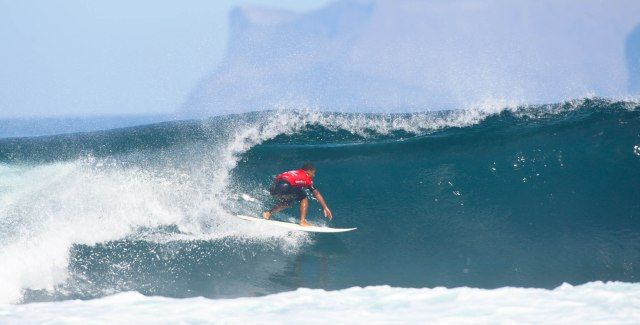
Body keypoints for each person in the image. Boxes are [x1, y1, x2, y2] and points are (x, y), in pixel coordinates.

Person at [262, 163, 333, 226]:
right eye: (313, 173)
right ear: (308, 171)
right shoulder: (307, 178)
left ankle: (268, 213)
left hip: (275, 187)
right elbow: (316, 193)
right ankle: (302, 221)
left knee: (287, 203)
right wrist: (325, 207)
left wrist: (274, 191)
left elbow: (278, 177)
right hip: (285, 186)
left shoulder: (293, 172)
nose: (313, 175)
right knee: (303, 197)